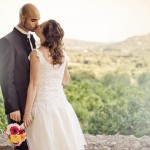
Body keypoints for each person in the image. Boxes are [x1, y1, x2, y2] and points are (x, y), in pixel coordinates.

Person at [23, 19, 87, 150]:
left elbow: (33, 84)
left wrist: (27, 113)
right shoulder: (62, 54)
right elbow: (66, 81)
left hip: (42, 107)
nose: (37, 26)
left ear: (45, 34)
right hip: (61, 106)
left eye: (40, 26)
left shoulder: (36, 54)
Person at [0, 3, 40, 150]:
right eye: (33, 20)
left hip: (33, 104)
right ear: (22, 18)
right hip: (17, 108)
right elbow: (5, 77)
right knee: (21, 147)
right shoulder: (6, 41)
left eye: (38, 20)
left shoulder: (32, 39)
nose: (37, 24)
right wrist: (13, 107)